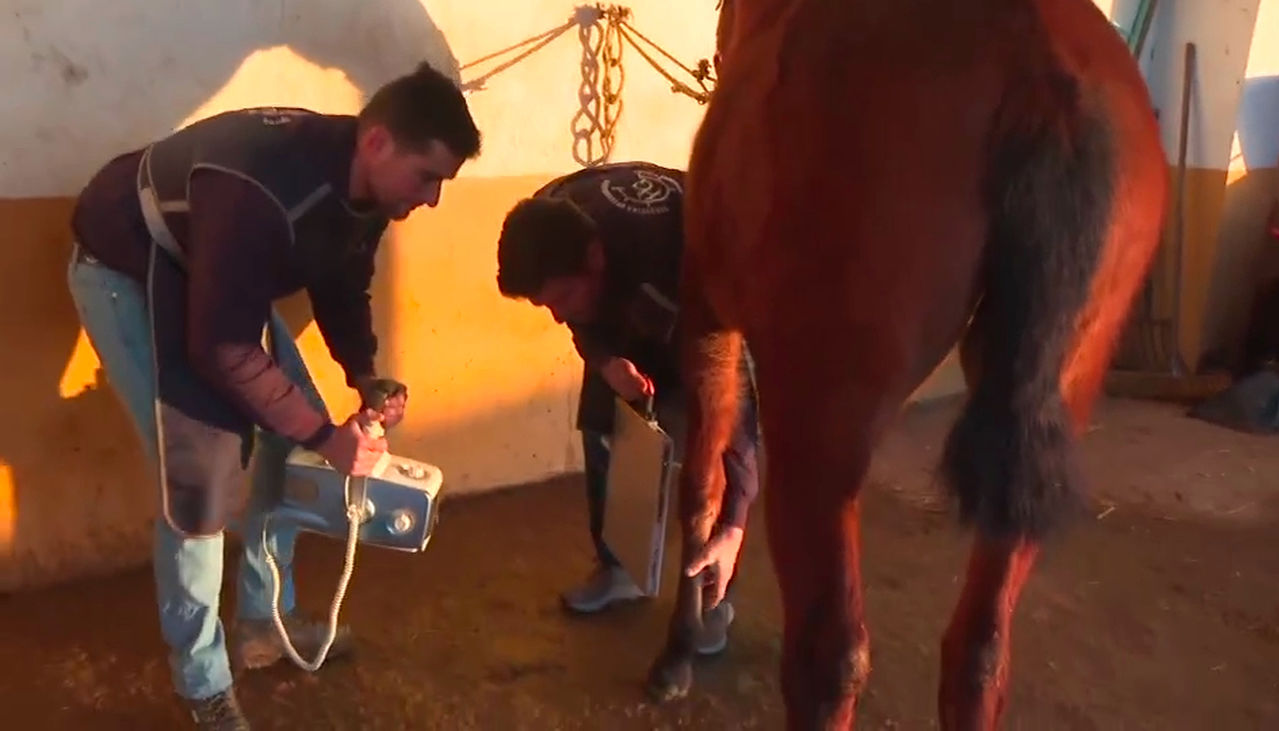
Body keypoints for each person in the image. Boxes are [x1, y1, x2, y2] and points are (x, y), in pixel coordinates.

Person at [64, 62, 481, 730]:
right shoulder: (259, 190)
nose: (431, 198)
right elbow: (223, 348)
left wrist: (364, 373)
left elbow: (344, 279)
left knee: (289, 440)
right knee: (198, 480)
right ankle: (202, 679)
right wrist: (329, 435)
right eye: (427, 175)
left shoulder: (369, 189)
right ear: (377, 143)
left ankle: (263, 622)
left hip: (214, 270)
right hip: (128, 264)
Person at [495, 161, 761, 655]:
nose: (558, 315)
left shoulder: (689, 258)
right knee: (603, 425)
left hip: (705, 308)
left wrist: (736, 522)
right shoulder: (550, 214)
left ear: (595, 259)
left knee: (708, 453)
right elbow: (579, 317)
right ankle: (620, 568)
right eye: (547, 306)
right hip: (627, 307)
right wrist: (603, 358)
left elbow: (733, 407)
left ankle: (715, 591)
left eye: (563, 299)